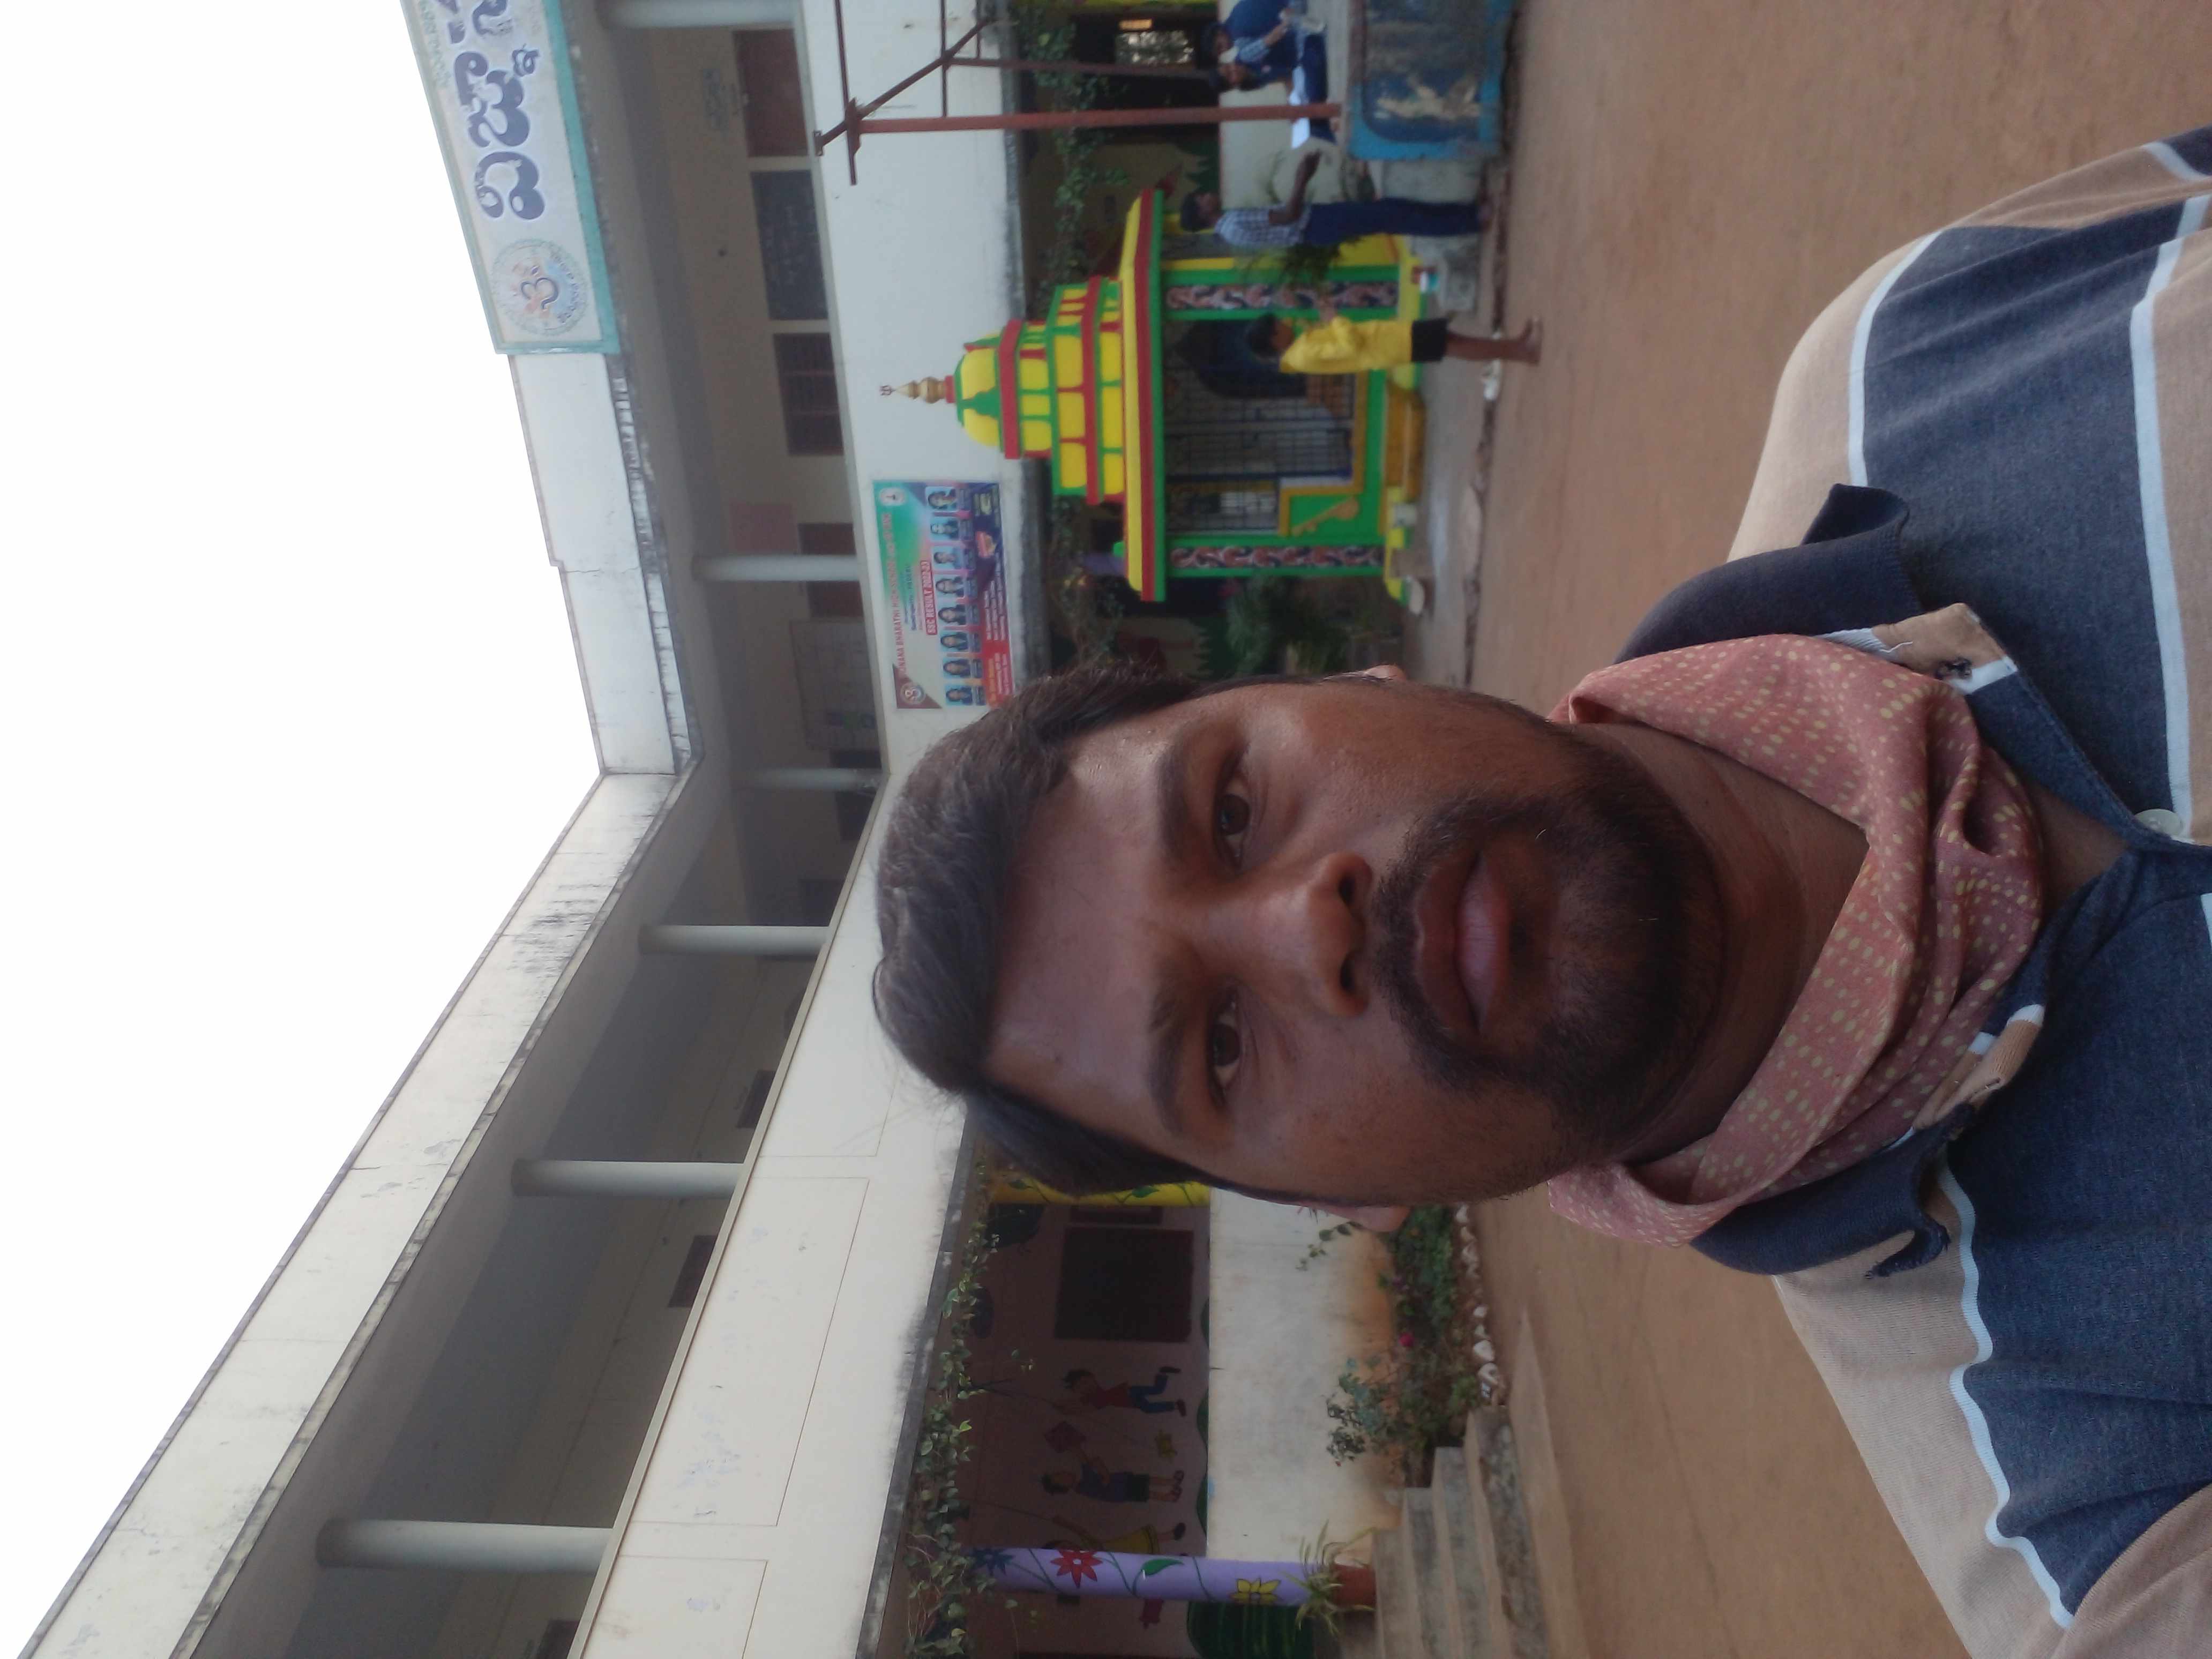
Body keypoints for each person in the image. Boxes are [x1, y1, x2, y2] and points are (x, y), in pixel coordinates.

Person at [875, 127, 2212, 1655]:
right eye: (1219, 1046)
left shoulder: (1921, 356)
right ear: (1341, 1205)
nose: (1305, 926)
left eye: (1233, 808)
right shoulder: (2091, 1533)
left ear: (1358, 681)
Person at [1183, 151, 1484, 248]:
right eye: (1202, 198)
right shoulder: (1234, 222)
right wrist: (1303, 177)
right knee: (1394, 215)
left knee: (1392, 212)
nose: (1208, 195)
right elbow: (1288, 216)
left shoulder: (1231, 229)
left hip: (1315, 229)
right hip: (1314, 223)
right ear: (1202, 212)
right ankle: (1470, 219)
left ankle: (1467, 214)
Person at [1246, 303, 1542, 372]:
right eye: (1279, 325)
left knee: (1451, 339)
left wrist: (1327, 319)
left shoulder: (1300, 347)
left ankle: (1516, 346)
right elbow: (1350, 345)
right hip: (1389, 346)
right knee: (1452, 346)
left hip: (1389, 338)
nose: (1285, 323)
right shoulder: (1302, 354)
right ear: (1275, 339)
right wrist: (1335, 318)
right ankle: (1519, 352)